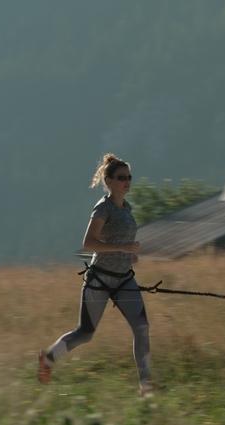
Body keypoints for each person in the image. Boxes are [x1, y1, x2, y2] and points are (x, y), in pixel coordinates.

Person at [38, 153, 153, 396]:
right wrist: (123, 248)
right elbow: (89, 243)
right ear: (108, 181)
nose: (127, 182)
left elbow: (120, 241)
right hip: (99, 280)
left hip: (124, 280)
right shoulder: (103, 208)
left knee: (141, 328)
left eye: (129, 177)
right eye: (122, 178)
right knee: (86, 333)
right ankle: (48, 358)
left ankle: (146, 386)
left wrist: (129, 255)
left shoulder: (128, 208)